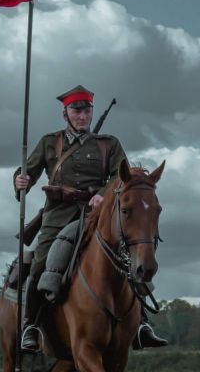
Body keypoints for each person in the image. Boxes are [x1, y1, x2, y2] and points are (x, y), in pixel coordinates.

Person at [14, 85, 168, 353]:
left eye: (86, 111)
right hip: (59, 213)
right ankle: (31, 325)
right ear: (66, 114)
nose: (82, 116)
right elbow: (29, 172)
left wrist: (102, 194)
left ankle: (141, 323)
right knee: (42, 259)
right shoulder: (50, 142)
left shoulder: (109, 144)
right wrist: (20, 181)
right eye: (77, 111)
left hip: (97, 214)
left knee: (129, 255)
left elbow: (123, 177)